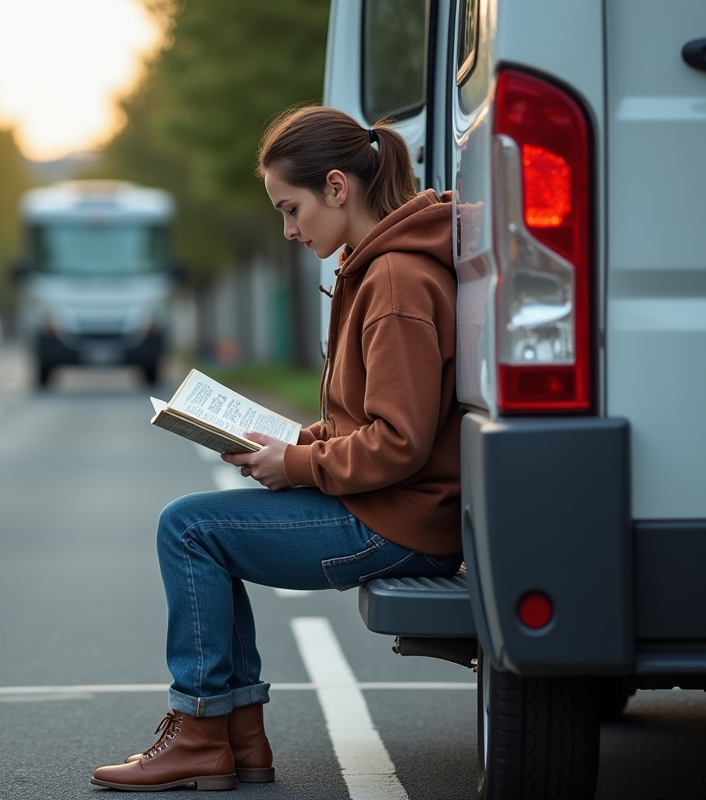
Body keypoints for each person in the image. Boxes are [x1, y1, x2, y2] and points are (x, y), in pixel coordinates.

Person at [90, 105, 464, 792]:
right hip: (390, 507)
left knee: (189, 527)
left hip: (397, 520)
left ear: (336, 187)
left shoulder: (395, 282)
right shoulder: (378, 268)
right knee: (203, 528)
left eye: (292, 209)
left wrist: (296, 463)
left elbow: (400, 442)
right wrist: (294, 442)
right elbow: (378, 421)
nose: (289, 230)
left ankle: (205, 733)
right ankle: (235, 738)